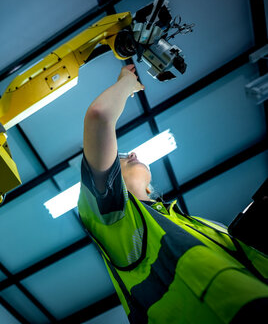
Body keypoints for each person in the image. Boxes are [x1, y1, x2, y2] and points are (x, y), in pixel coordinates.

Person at [77, 64, 268, 323]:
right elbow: (99, 116)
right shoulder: (118, 222)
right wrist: (126, 82)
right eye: (121, 157)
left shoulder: (199, 224)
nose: (132, 154)